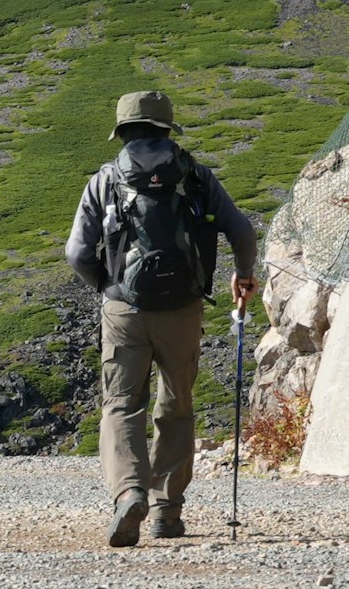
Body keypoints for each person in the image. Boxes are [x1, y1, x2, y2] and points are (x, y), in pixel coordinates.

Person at [63, 88, 261, 548]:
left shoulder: (106, 179)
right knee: (176, 404)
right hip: (183, 307)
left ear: (124, 130)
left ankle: (129, 493)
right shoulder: (194, 174)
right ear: (166, 127)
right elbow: (242, 231)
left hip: (123, 309)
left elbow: (75, 251)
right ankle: (166, 512)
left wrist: (107, 286)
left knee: (121, 404)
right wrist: (244, 276)